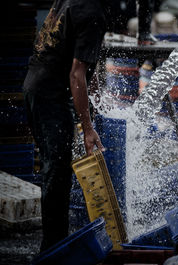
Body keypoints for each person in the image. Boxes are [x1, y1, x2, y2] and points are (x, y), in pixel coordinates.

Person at [23, 0, 112, 252]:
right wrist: (87, 127)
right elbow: (76, 73)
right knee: (57, 171)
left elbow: (79, 62)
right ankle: (52, 250)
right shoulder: (94, 12)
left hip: (35, 85)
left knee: (56, 169)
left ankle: (55, 245)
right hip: (49, 96)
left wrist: (92, 103)